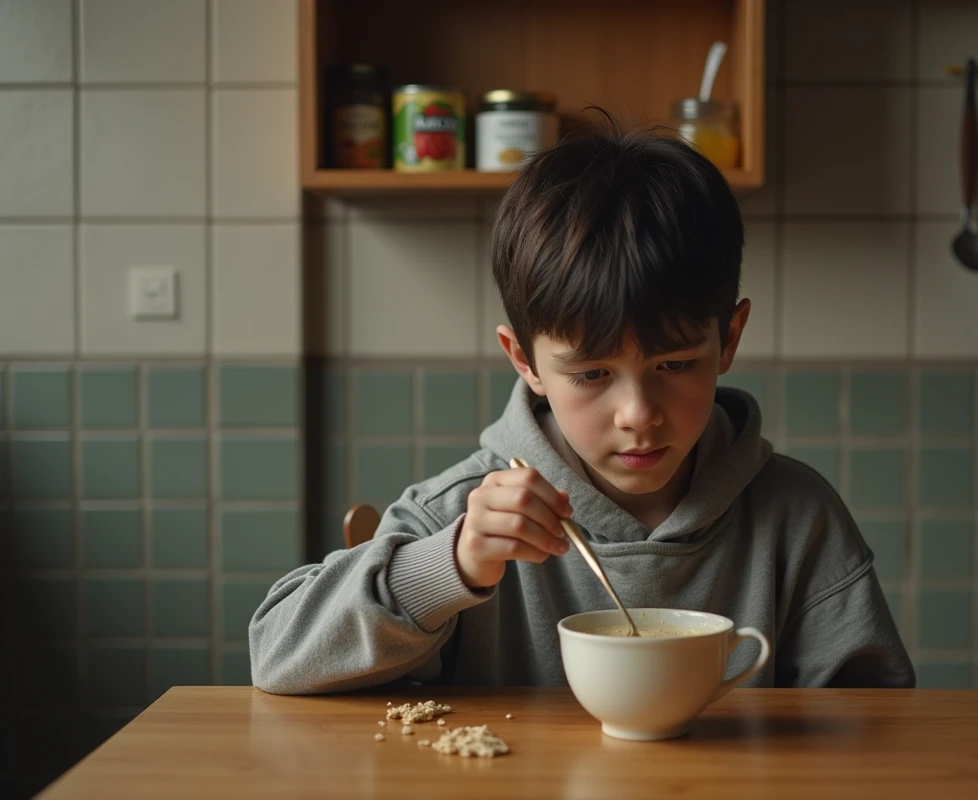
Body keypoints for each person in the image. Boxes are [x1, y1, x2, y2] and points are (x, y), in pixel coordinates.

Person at [250, 119, 915, 694]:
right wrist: (448, 567)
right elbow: (276, 654)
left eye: (675, 365)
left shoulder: (797, 518)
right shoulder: (463, 517)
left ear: (730, 338)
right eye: (593, 373)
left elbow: (876, 718)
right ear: (525, 361)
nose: (637, 414)